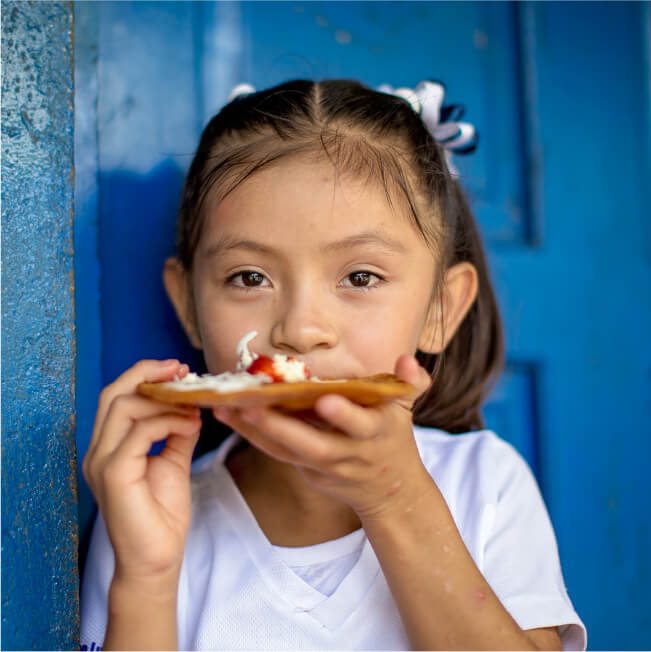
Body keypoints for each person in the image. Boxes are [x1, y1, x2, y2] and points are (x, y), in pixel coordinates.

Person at [80, 79, 586, 650]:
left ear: (440, 309)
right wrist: (145, 578)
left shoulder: (486, 484)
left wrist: (396, 499)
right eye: (250, 277)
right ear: (189, 306)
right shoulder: (147, 512)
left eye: (360, 277)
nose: (298, 329)